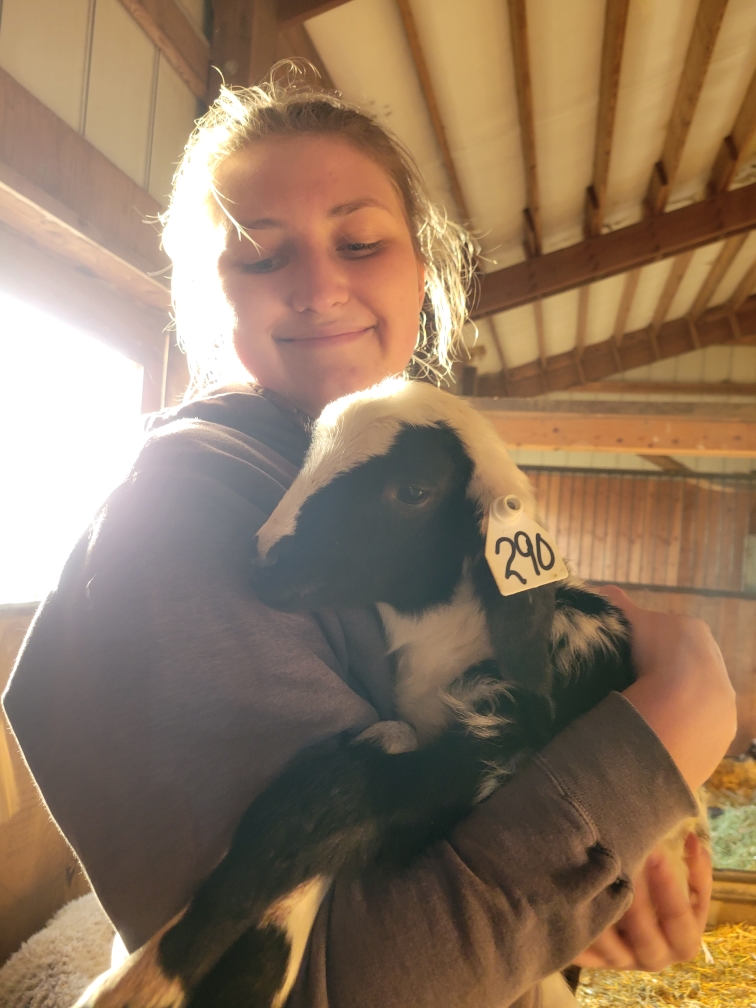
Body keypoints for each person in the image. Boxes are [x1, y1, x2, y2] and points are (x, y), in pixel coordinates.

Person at [3, 76, 736, 1008]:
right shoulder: (181, 511)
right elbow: (322, 985)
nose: (318, 286)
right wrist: (679, 716)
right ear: (200, 299)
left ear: (418, 275)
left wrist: (623, 834)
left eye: (360, 241)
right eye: (260, 257)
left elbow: (541, 652)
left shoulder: (451, 464)